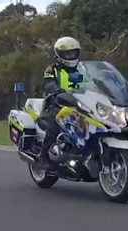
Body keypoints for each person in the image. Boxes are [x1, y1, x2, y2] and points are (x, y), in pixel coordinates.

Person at [36, 36, 82, 170]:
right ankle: (43, 157)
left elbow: (94, 81)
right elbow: (48, 83)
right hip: (56, 103)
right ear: (60, 54)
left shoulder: (82, 69)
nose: (71, 56)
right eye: (68, 53)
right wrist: (56, 89)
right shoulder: (52, 69)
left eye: (73, 53)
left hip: (79, 103)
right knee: (54, 123)